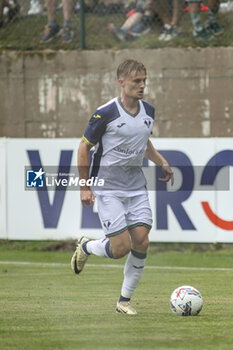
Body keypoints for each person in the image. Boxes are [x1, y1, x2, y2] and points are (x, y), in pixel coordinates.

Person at [71, 59, 174, 315]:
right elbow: (84, 147)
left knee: (142, 241)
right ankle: (85, 247)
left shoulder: (148, 110)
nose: (142, 85)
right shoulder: (104, 113)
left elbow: (144, 144)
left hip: (136, 187)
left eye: (144, 81)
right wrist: (85, 187)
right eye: (136, 81)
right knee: (120, 249)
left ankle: (123, 301)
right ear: (121, 82)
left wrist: (161, 161)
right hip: (108, 188)